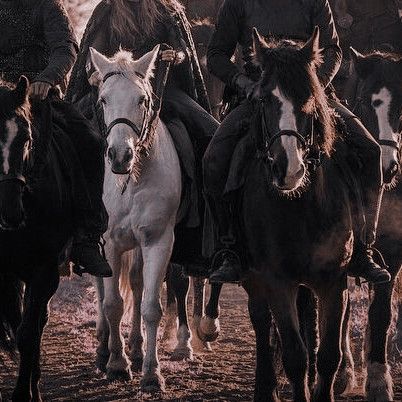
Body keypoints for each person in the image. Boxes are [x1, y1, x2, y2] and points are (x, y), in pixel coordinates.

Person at [204, 0, 391, 284]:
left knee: (370, 150)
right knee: (214, 158)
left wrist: (314, 87)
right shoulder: (238, 3)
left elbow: (332, 50)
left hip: (308, 92)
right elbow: (217, 54)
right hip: (262, 94)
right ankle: (229, 249)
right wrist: (244, 84)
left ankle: (364, 249)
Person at [66, 0, 219, 273]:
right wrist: (93, 72)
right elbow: (93, 51)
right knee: (69, 134)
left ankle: (212, 236)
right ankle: (76, 234)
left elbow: (182, 49)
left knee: (211, 135)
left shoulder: (168, 11)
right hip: (113, 94)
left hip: (162, 91)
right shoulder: (108, 9)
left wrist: (176, 56)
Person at [0, 0, 112, 277]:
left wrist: (47, 79)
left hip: (39, 97)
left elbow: (66, 48)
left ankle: (87, 236)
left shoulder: (47, 7)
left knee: (91, 142)